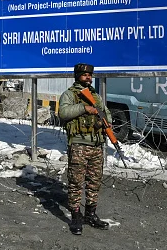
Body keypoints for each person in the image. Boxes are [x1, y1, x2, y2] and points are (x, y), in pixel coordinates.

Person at [58, 63, 111, 235]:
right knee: (75, 182)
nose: (88, 77)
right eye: (85, 74)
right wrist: (84, 108)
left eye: (90, 75)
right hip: (79, 144)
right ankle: (75, 217)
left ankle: (91, 214)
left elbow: (105, 112)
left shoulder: (96, 96)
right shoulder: (69, 94)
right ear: (77, 76)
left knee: (94, 182)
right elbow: (63, 113)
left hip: (96, 144)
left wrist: (106, 121)